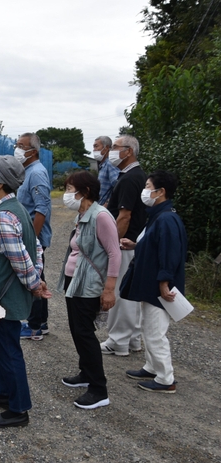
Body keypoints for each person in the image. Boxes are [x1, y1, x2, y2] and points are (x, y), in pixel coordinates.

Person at [0, 155, 47, 428]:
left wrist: (34, 285)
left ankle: (18, 409)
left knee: (9, 349)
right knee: (3, 347)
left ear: (0, 183)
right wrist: (36, 278)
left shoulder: (4, 215)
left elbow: (19, 258)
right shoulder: (15, 209)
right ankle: (5, 393)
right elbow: (36, 248)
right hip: (7, 296)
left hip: (4, 299)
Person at [57, 171, 121, 409]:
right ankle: (85, 373)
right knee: (76, 329)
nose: (66, 194)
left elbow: (114, 253)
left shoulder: (101, 216)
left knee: (84, 333)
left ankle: (98, 389)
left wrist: (109, 288)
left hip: (90, 284)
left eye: (69, 188)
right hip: (75, 280)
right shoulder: (82, 213)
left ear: (84, 192)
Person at [122, 170, 187, 393]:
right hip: (150, 284)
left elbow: (169, 254)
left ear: (161, 192)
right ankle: (152, 366)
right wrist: (136, 245)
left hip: (158, 287)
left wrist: (164, 282)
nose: (145, 190)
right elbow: (155, 245)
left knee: (154, 331)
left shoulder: (166, 218)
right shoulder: (159, 216)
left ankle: (165, 379)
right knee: (148, 326)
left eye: (148, 186)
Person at [100, 135, 147, 356]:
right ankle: (133, 339)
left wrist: (112, 246)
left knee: (119, 292)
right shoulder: (137, 176)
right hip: (133, 242)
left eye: (116, 148)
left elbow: (124, 216)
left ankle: (118, 340)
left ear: (128, 151)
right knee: (131, 291)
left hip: (124, 242)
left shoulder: (129, 179)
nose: (111, 152)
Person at [15, 132, 52, 341]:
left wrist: (32, 240)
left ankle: (34, 326)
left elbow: (41, 210)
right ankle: (40, 322)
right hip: (28, 235)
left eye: (21, 146)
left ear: (33, 152)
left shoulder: (36, 173)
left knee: (34, 277)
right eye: (17, 144)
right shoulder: (28, 171)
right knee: (37, 276)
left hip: (33, 238)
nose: (17, 149)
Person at [89, 136, 120, 207]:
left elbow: (118, 186)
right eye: (93, 147)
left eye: (96, 146)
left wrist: (108, 203)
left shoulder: (110, 164)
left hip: (107, 209)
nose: (94, 150)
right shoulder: (103, 165)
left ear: (106, 148)